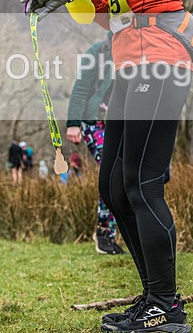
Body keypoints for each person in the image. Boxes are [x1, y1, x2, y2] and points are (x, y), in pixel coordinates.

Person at [21, 0, 193, 333]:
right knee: (114, 188)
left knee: (143, 184)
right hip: (126, 66)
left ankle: (167, 308)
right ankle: (153, 299)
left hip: (160, 64)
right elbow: (114, 14)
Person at [66, 34, 125, 255]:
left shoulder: (138, 50)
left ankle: (112, 234)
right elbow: (80, 89)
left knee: (124, 177)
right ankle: (104, 233)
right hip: (95, 122)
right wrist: (73, 124)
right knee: (112, 174)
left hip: (123, 123)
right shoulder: (99, 51)